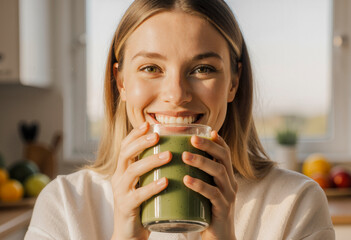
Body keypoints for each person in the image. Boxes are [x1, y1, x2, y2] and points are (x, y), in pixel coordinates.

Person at [25, 0, 335, 239]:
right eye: (150, 68)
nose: (176, 95)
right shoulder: (65, 205)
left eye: (203, 69)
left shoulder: (296, 203)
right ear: (120, 81)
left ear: (233, 82)